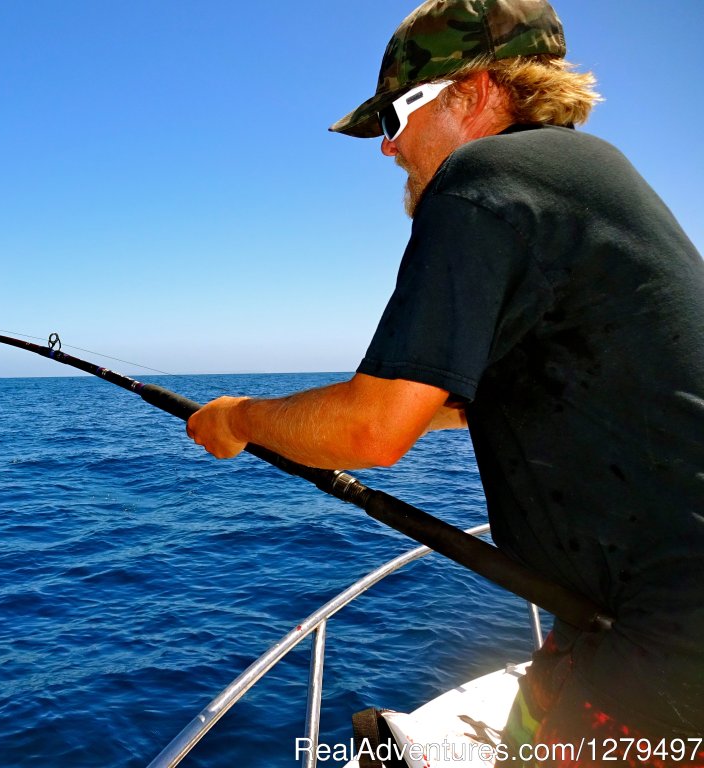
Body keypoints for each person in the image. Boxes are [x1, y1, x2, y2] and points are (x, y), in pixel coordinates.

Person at [185, 0, 704, 761]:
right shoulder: (581, 178)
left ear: (476, 90)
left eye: (395, 118)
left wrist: (238, 418)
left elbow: (373, 430)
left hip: (675, 628)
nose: (388, 150)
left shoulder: (485, 175)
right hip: (614, 611)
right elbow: (503, 397)